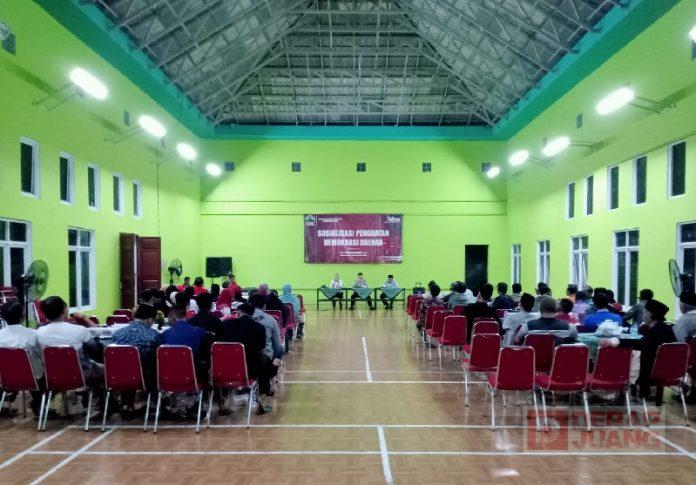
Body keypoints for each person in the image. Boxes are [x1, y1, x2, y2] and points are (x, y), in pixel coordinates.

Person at [600, 299, 676, 404]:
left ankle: (616, 396)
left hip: (650, 371)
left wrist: (616, 341)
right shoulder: (666, 329)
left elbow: (641, 344)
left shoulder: (655, 331)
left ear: (650, 315)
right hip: (669, 369)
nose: (643, 314)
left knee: (620, 361)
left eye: (645, 312)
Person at [37, 296, 104, 393]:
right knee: (106, 369)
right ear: (64, 310)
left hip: (52, 376)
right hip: (82, 375)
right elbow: (95, 348)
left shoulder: (39, 332)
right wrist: (84, 319)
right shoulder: (79, 330)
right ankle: (103, 401)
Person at [111, 303, 161, 411]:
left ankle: (126, 404)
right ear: (150, 320)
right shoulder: (153, 335)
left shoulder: (117, 334)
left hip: (118, 375)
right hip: (144, 377)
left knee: (126, 365)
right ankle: (155, 404)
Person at [235, 303, 282, 413]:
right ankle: (262, 397)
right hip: (252, 368)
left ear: (238, 312)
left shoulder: (227, 324)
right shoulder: (260, 327)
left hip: (229, 369)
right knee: (266, 363)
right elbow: (265, 348)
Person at [0, 301, 44, 415]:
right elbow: (42, 356)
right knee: (42, 374)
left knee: (12, 371)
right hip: (33, 379)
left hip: (6, 379)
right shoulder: (33, 334)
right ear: (23, 316)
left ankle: (5, 403)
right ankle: (39, 405)